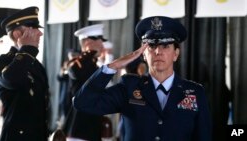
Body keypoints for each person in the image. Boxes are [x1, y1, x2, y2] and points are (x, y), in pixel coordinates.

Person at [73, 16, 212, 141]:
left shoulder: (194, 92)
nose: (158, 52)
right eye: (151, 46)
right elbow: (82, 103)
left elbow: (203, 136)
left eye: (165, 46)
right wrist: (113, 66)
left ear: (176, 54)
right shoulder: (129, 87)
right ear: (143, 54)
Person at [0, 7, 50, 141]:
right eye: (33, 28)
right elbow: (12, 80)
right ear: (17, 34)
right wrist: (27, 50)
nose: (40, 33)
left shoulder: (36, 64)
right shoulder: (3, 61)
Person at [63, 24, 109, 141]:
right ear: (88, 42)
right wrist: (90, 53)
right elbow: (75, 72)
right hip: (78, 128)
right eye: (99, 42)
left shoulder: (93, 65)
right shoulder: (77, 64)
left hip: (92, 128)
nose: (102, 45)